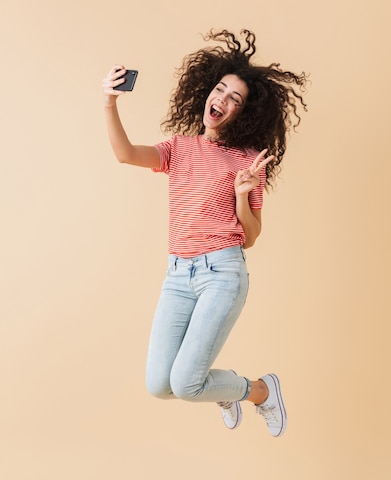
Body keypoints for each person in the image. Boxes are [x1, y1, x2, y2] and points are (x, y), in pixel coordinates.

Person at [102, 28, 307, 437]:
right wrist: (109, 101)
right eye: (220, 90)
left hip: (222, 275)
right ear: (206, 93)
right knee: (159, 385)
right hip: (177, 275)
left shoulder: (249, 161)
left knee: (185, 383)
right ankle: (223, 390)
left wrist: (240, 195)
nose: (223, 100)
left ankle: (260, 391)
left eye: (236, 99)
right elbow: (125, 154)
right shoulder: (178, 148)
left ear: (244, 114)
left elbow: (249, 237)